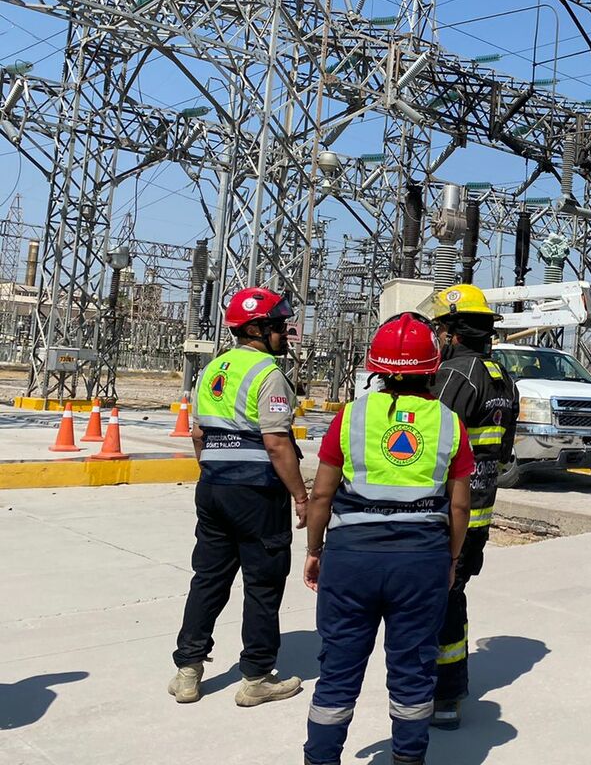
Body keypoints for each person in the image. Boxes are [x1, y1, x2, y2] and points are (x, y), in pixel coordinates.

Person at [302, 313, 473, 765]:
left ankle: (320, 759)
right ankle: (408, 758)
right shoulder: (449, 424)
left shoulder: (350, 417)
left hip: (351, 557)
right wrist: (451, 559)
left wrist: (314, 550)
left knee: (337, 672)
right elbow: (459, 508)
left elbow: (321, 493)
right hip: (421, 562)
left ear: (374, 367)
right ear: (433, 366)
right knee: (414, 672)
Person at [171, 286, 307, 706]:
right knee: (263, 584)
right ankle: (256, 677)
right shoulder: (269, 374)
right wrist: (301, 496)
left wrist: (215, 470)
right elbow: (277, 444)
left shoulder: (212, 371)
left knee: (208, 579)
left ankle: (188, 672)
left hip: (213, 488)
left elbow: (198, 434)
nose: (287, 333)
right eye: (280, 327)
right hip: (258, 495)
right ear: (256, 329)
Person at [424, 284, 517, 729]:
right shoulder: (502, 377)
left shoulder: (453, 377)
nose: (438, 338)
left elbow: (429, 443)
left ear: (454, 333)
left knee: (437, 601)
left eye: (441, 329)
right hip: (479, 510)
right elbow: (501, 453)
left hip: (447, 512)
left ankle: (441, 693)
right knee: (453, 596)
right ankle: (448, 689)